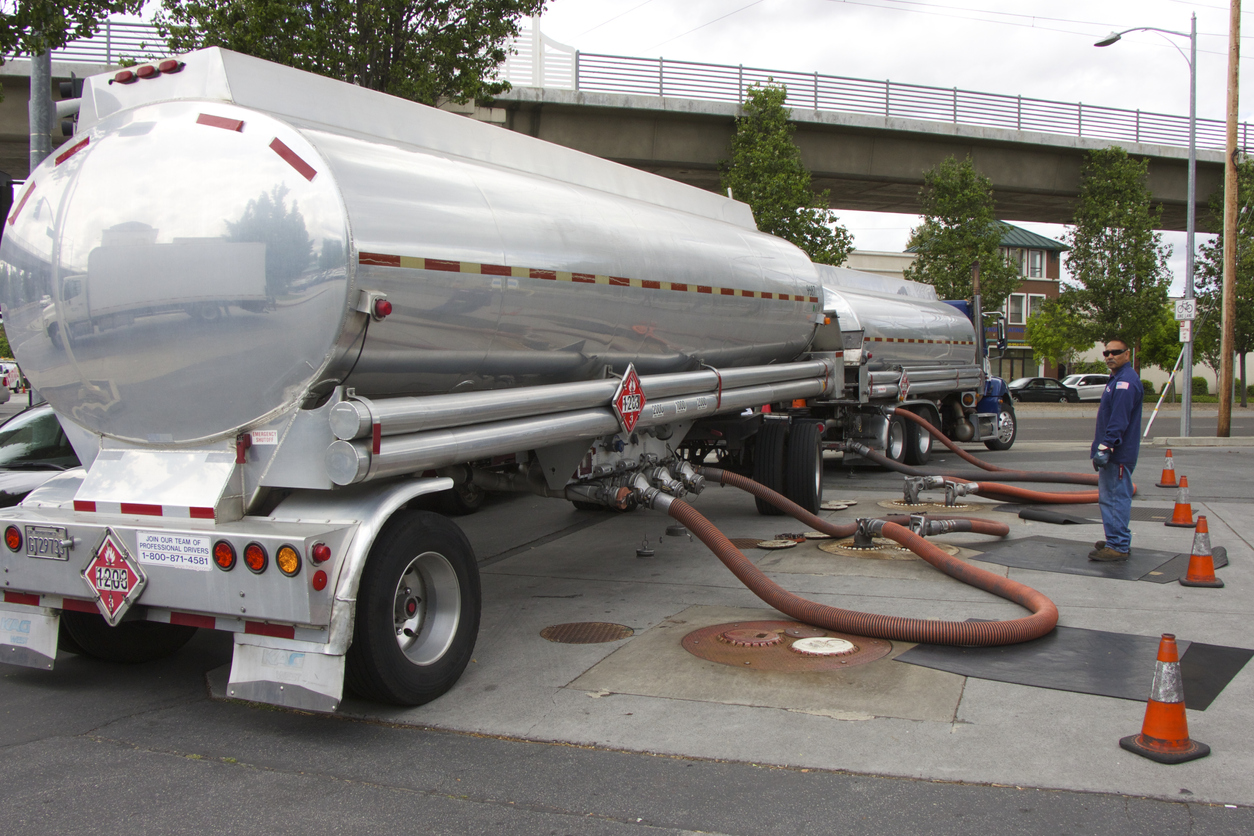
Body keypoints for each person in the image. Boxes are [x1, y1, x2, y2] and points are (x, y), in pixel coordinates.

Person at [1088, 338, 1143, 561]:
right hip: (1115, 452)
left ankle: (1118, 545)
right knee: (1111, 496)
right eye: (1106, 353)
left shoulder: (1125, 383)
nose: (1110, 356)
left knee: (1114, 498)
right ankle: (1115, 539)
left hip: (1117, 453)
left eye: (1116, 352)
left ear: (1127, 354)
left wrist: (1106, 446)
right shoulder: (1117, 379)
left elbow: (1119, 420)